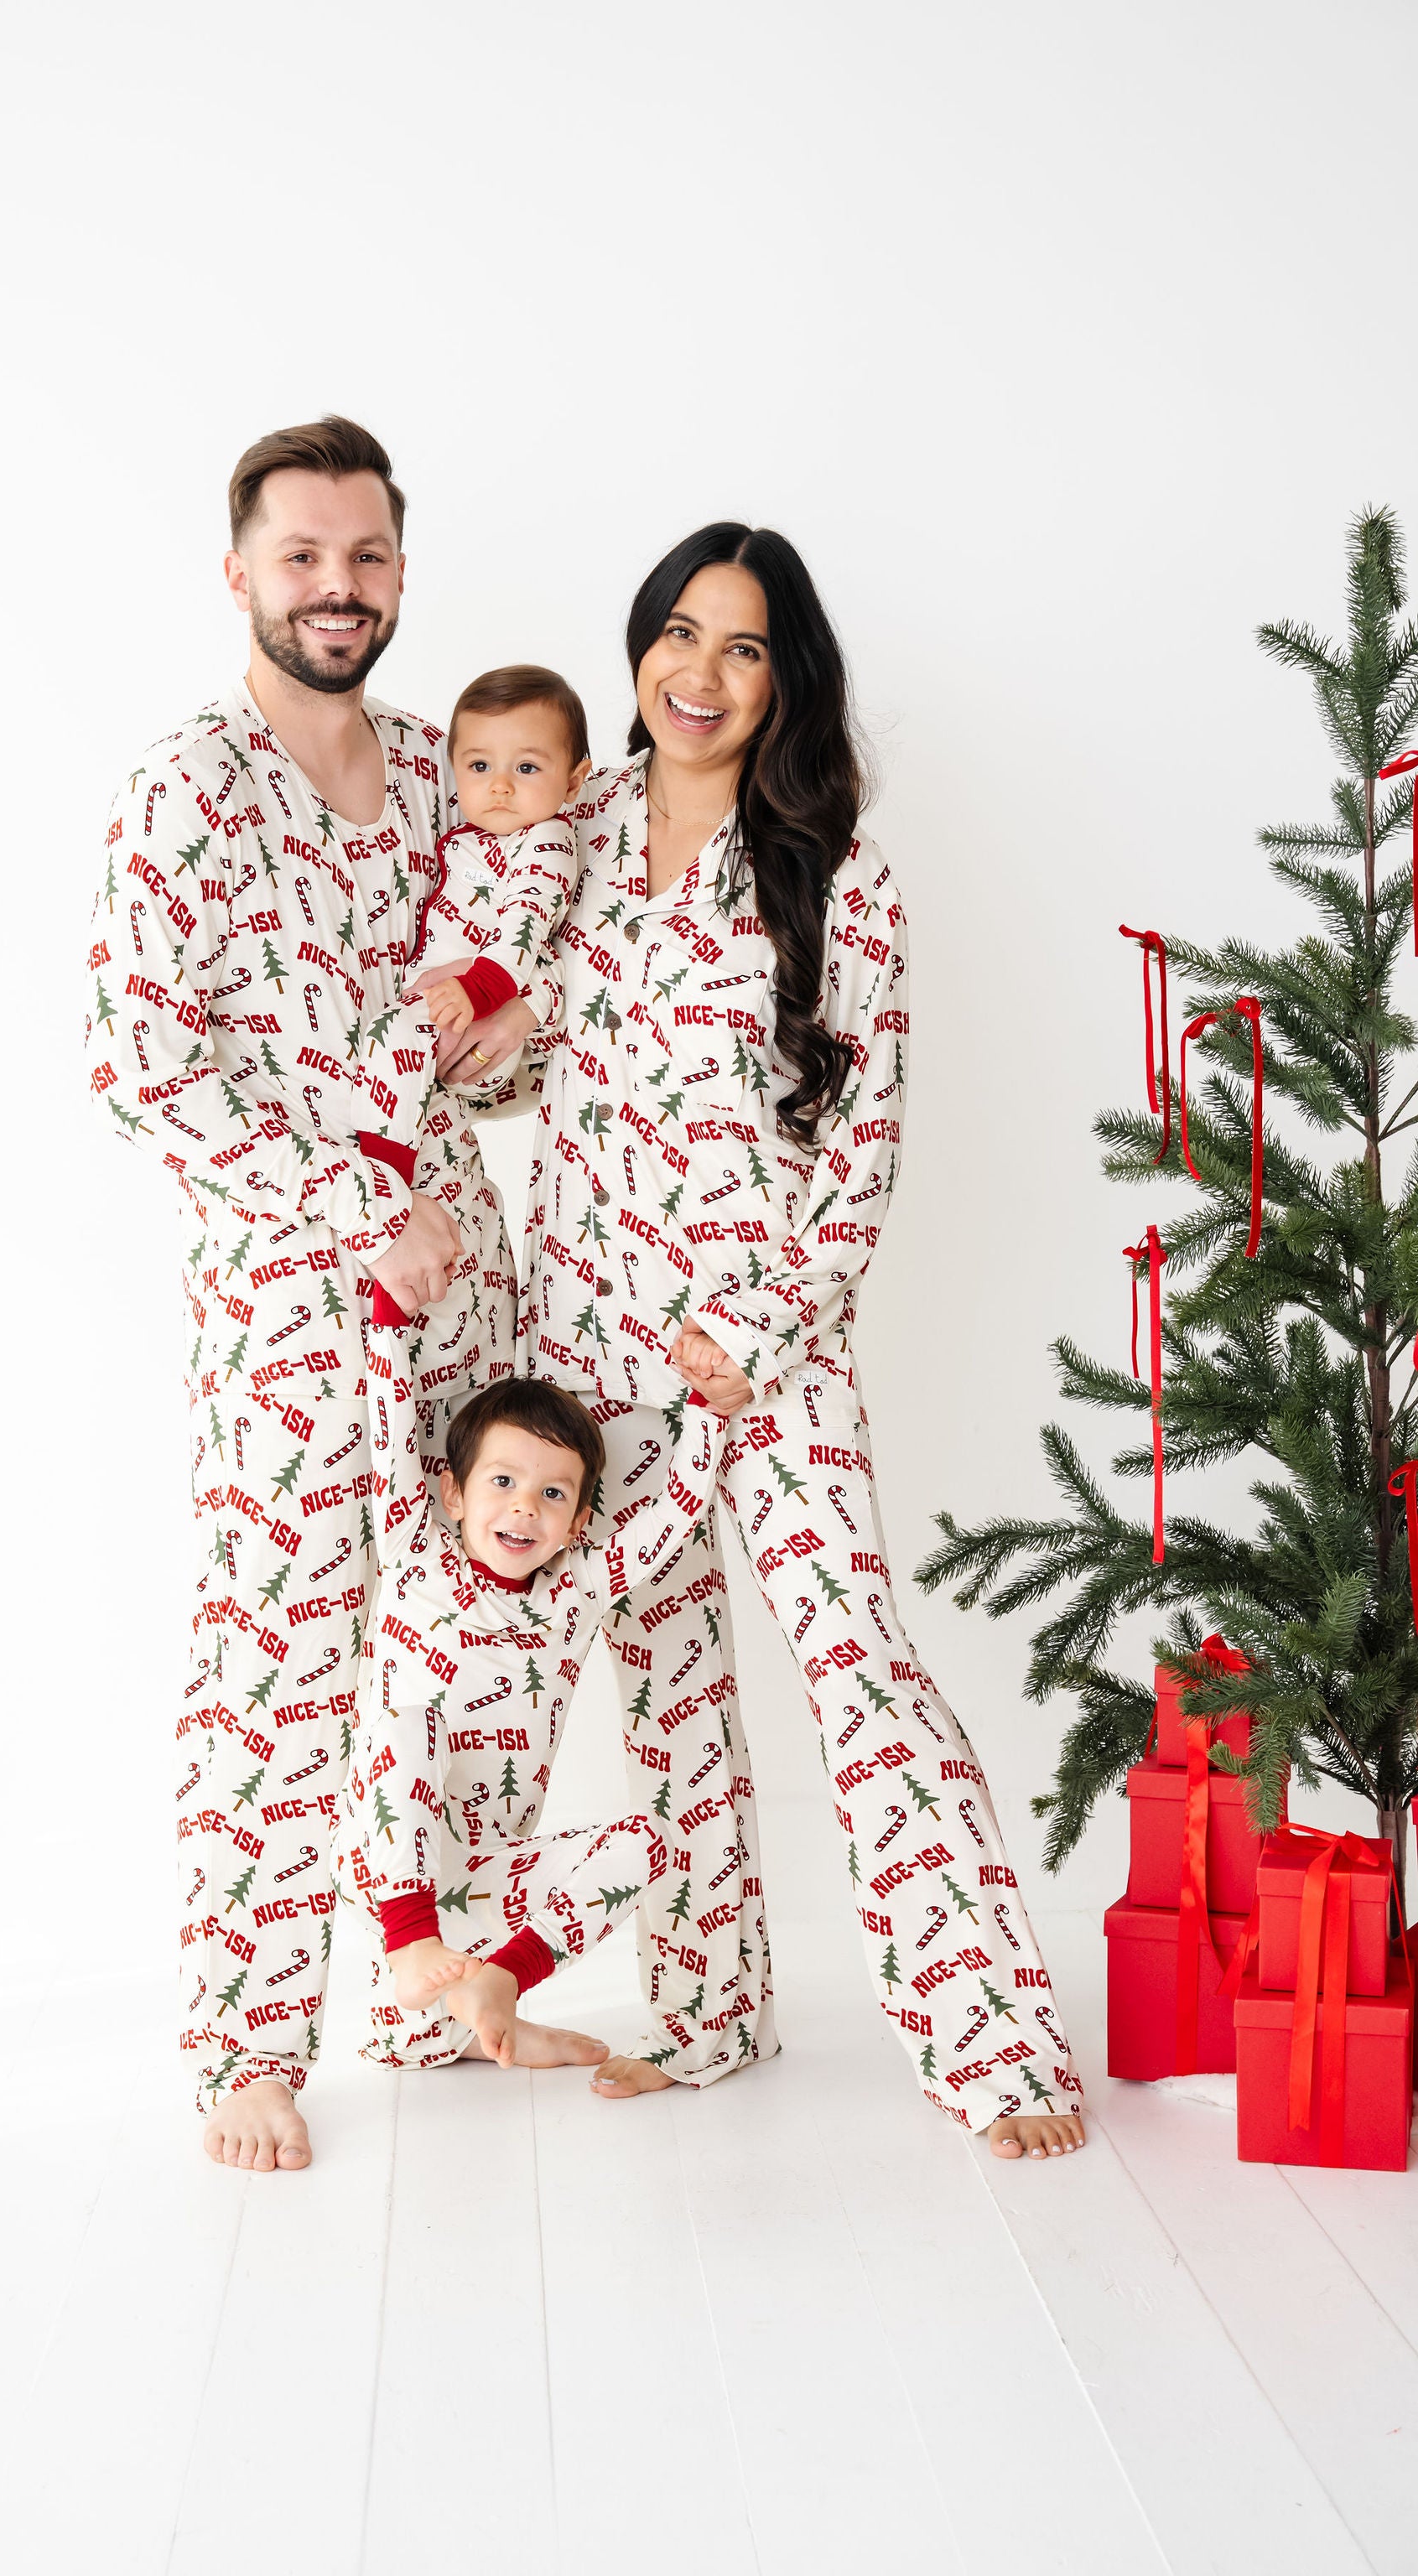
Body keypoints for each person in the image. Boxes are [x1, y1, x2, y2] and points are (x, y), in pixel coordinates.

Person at [517, 522, 1087, 2158]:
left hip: (764, 1349)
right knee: (670, 1689)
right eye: (679, 635)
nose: (699, 674)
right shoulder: (553, 842)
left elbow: (861, 1150)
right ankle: (712, 2016)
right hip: (589, 1350)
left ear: (786, 681)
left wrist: (756, 1326)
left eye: (744, 647)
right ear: (637, 648)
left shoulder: (838, 880)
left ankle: (989, 2041)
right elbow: (505, 1072)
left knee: (859, 1669)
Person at [81, 417, 581, 2177]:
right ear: (240, 574)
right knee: (279, 1671)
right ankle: (246, 2043)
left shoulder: (464, 772)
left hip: (471, 1322)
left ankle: (434, 1987)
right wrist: (342, 1212)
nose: (336, 588)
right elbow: (143, 1060)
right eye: (302, 557)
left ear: (398, 571)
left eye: (364, 557)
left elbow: (521, 1056)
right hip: (298, 1318)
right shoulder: (188, 792)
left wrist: (504, 1028)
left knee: (476, 1653)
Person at [336, 1370, 724, 2069]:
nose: (524, 1509)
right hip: (385, 1864)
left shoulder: (574, 1594)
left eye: (552, 1494)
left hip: (487, 1879)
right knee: (411, 1726)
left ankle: (500, 1984)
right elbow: (390, 1427)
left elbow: (674, 1514)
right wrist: (392, 1314)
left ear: (577, 1524)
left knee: (651, 1839)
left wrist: (707, 1409)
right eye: (503, 1482)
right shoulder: (413, 1552)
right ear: (453, 1492)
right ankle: (413, 1944)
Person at [352, 666, 588, 1328]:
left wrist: (475, 989)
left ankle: (384, 1200)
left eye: (528, 768)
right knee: (391, 1078)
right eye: (480, 765)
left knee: (391, 1050)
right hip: (456, 1010)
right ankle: (389, 1199)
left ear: (574, 780)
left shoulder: (546, 844)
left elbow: (526, 926)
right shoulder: (471, 839)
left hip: (477, 1005)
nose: (501, 786)